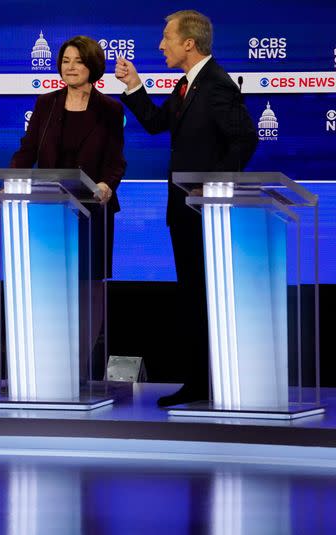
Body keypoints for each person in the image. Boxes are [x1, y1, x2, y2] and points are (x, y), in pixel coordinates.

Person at [115, 10, 257, 407]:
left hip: (205, 211)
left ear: (188, 44)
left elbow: (244, 139)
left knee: (204, 297)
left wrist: (213, 188)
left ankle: (208, 383)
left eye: (166, 38)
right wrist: (134, 85)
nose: (161, 45)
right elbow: (156, 123)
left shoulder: (216, 84)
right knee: (192, 297)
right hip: (186, 210)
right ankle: (199, 382)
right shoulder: (187, 85)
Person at [11, 35, 126, 380]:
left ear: (92, 65)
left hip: (92, 209)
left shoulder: (110, 109)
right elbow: (28, 150)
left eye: (77, 60)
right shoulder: (46, 104)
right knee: (51, 283)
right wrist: (13, 180)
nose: (70, 67)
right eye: (65, 61)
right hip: (50, 210)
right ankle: (48, 360)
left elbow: (115, 161)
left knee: (88, 287)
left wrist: (107, 184)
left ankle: (78, 365)